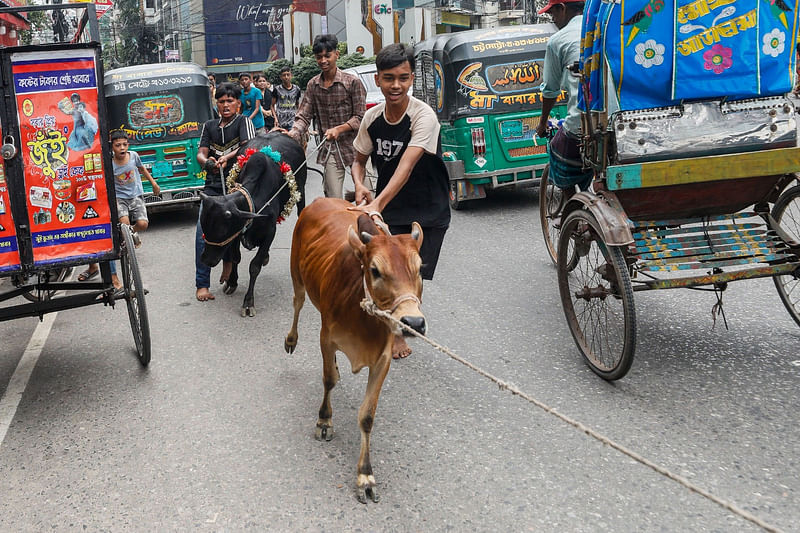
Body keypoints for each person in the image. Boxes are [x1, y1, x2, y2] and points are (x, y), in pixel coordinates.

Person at [350, 43, 450, 359]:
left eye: (403, 78)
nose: (396, 86)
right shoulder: (372, 118)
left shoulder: (423, 116)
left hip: (429, 207)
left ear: (411, 79)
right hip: (391, 209)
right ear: (378, 80)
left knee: (414, 275)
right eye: (389, 78)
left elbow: (406, 167)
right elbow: (358, 160)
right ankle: (395, 332)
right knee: (390, 272)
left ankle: (405, 318)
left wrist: (377, 203)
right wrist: (360, 186)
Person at [194, 82, 256, 301]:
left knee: (235, 230)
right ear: (216, 104)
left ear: (238, 104)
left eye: (230, 101)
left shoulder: (244, 122)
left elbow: (249, 147)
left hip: (238, 187)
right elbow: (200, 153)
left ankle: (230, 263)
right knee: (203, 232)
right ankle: (202, 284)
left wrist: (227, 158)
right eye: (221, 101)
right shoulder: (209, 126)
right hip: (212, 187)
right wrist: (207, 162)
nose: (226, 105)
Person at [77, 131, 160, 290]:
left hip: (136, 195)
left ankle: (130, 236)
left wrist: (154, 184)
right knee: (123, 223)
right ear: (112, 147)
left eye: (124, 144)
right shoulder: (108, 161)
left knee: (142, 224)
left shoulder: (134, 156)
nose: (122, 148)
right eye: (118, 145)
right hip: (119, 199)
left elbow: (142, 169)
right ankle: (125, 242)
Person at [288, 34, 366, 199]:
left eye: (327, 56)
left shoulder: (352, 82)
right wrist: (293, 133)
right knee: (333, 199)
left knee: (367, 195)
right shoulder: (312, 85)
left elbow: (360, 117)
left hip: (358, 147)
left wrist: (339, 129)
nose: (323, 60)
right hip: (331, 148)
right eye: (319, 57)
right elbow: (303, 115)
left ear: (336, 55)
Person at [534, 0, 591, 191]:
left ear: (563, 8)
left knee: (557, 148)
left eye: (554, 15)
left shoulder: (558, 40)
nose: (554, 20)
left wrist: (542, 124)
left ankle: (568, 207)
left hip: (581, 125)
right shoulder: (605, 30)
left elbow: (550, 90)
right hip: (616, 123)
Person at [271, 66, 302, 131]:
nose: (286, 77)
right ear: (281, 77)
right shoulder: (277, 89)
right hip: (280, 121)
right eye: (284, 75)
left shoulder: (297, 89)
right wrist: (275, 119)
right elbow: (272, 105)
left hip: (292, 121)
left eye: (288, 75)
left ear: (291, 76)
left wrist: (299, 118)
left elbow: (297, 105)